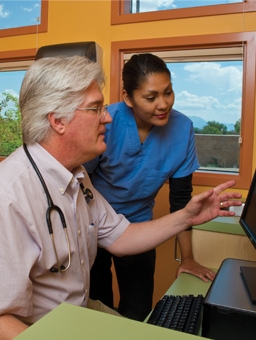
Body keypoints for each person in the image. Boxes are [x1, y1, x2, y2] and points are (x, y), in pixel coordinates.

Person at [0, 55, 242, 340]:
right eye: (96, 108)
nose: (108, 117)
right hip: (45, 328)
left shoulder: (77, 177)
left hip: (78, 312)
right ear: (58, 121)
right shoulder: (10, 196)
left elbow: (121, 237)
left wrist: (187, 216)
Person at [84, 53, 216, 321]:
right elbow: (79, 183)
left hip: (140, 227)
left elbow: (182, 200)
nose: (163, 104)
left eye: (168, 92)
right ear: (128, 97)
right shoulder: (106, 122)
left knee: (138, 309)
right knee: (97, 306)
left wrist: (187, 259)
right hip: (93, 225)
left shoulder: (183, 128)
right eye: (151, 97)